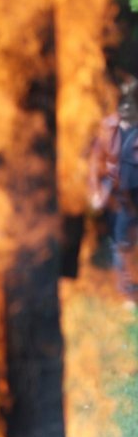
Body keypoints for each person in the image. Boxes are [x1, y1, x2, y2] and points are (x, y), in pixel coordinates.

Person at [89, 77, 138, 307]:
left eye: (131, 101)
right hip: (118, 196)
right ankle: (128, 293)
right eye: (123, 102)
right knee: (120, 244)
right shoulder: (108, 127)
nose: (126, 106)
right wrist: (96, 190)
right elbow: (95, 160)